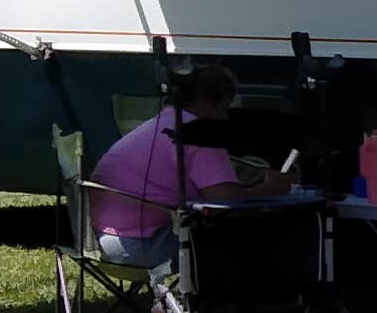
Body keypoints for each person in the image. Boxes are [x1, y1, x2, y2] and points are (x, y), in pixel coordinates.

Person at [90, 65, 291, 267]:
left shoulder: (162, 122)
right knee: (261, 238)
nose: (225, 117)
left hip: (107, 241)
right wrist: (271, 190)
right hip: (145, 244)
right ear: (205, 101)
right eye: (223, 108)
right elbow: (226, 204)